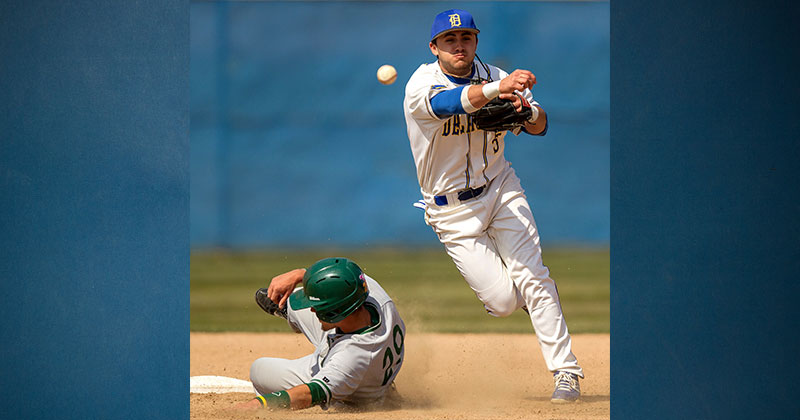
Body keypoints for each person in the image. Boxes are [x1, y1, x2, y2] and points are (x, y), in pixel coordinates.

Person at [402, 9, 583, 403]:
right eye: (450, 40)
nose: (459, 44)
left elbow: (541, 125)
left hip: (501, 189)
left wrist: (527, 111)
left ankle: (566, 371)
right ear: (434, 48)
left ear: (476, 41)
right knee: (503, 303)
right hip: (451, 209)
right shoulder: (421, 83)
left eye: (466, 37)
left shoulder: (497, 76)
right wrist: (495, 91)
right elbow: (450, 104)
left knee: (534, 276)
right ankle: (532, 302)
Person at [235, 257, 405, 411]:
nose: (312, 309)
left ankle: (341, 401)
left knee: (259, 369)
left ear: (335, 313)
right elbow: (339, 276)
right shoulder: (372, 294)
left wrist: (255, 405)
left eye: (317, 308)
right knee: (300, 300)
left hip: (354, 387)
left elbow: (310, 394)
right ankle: (287, 308)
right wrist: (300, 274)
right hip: (360, 345)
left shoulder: (352, 357)